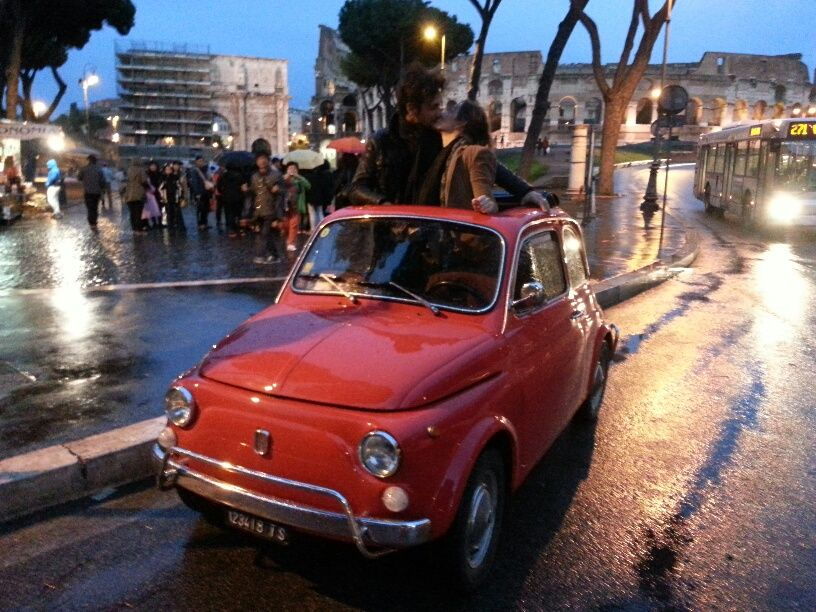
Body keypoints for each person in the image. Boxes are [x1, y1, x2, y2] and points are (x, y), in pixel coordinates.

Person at [349, 64, 548, 209]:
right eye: (433, 107)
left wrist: (525, 191)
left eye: (440, 105)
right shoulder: (380, 142)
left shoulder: (436, 136)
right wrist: (385, 205)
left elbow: (484, 160)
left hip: (428, 239)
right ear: (411, 110)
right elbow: (357, 187)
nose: (439, 112)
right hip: (388, 240)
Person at [431, 100, 498, 214]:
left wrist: (487, 205)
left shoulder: (474, 153)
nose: (442, 112)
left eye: (451, 110)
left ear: (461, 123)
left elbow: (487, 202)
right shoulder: (449, 150)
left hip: (460, 228)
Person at [246, 152, 286, 264]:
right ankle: (272, 254)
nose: (262, 162)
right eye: (259, 159)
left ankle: (266, 255)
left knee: (265, 233)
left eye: (264, 159)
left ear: (268, 161)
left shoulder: (276, 175)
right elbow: (253, 193)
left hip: (271, 209)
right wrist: (247, 191)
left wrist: (278, 190)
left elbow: (284, 191)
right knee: (262, 233)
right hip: (258, 209)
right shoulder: (254, 176)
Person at [283, 162, 310, 251]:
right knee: (286, 224)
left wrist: (298, 176)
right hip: (285, 205)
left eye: (294, 168)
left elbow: (308, 186)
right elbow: (279, 186)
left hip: (296, 205)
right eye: (290, 168)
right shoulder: (284, 178)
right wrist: (286, 177)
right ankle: (288, 239)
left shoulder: (300, 179)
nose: (292, 170)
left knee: (294, 225)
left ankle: (291, 242)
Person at [216, 161, 247, 237]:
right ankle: (240, 229)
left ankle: (232, 230)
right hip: (238, 197)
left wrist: (223, 192)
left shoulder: (223, 176)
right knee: (238, 214)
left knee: (230, 214)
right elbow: (243, 187)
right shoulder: (239, 175)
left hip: (227, 198)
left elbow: (218, 187)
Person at [77, 154, 106, 229]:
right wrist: (103, 189)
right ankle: (94, 221)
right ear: (95, 161)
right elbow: (102, 181)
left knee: (90, 207)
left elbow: (79, 178)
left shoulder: (84, 169)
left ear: (88, 160)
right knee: (95, 207)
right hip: (96, 192)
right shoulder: (99, 169)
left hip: (88, 192)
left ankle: (91, 222)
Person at [307, 160, 333, 229]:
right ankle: (322, 227)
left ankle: (313, 229)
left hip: (311, 197)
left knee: (312, 213)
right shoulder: (324, 175)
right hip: (320, 197)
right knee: (320, 212)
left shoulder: (310, 176)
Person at [189, 155, 213, 230]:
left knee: (206, 208)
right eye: (199, 161)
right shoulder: (194, 170)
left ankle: (205, 223)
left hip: (206, 192)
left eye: (202, 161)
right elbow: (195, 183)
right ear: (196, 162)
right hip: (199, 192)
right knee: (200, 209)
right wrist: (197, 193)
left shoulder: (205, 169)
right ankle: (201, 224)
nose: (201, 162)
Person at [159, 163, 185, 230]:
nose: (168, 171)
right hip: (166, 198)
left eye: (169, 169)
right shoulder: (163, 178)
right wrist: (162, 197)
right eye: (166, 169)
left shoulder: (175, 178)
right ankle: (170, 226)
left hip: (175, 197)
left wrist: (181, 196)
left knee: (177, 212)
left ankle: (179, 226)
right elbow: (160, 188)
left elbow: (179, 188)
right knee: (168, 212)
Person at [124, 159, 147, 234]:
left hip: (129, 193)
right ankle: (139, 229)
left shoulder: (129, 170)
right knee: (139, 212)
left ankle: (134, 228)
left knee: (132, 212)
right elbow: (144, 181)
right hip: (138, 193)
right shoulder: (141, 170)